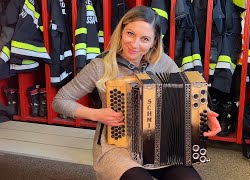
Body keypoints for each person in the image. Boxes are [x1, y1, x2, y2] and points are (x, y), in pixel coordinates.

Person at [52, 6, 221, 180]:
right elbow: (60, 100)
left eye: (145, 39)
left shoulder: (162, 62)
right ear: (121, 31)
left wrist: (203, 114)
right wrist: (95, 114)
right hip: (117, 147)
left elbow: (184, 96)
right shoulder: (100, 65)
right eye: (130, 34)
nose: (134, 44)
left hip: (160, 144)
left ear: (154, 42)